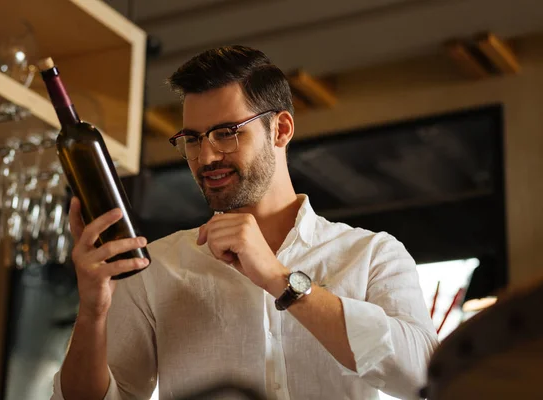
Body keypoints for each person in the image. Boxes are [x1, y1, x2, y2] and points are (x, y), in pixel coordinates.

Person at [51, 45, 438, 400]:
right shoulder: (154, 268)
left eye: (226, 133)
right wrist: (92, 313)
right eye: (192, 139)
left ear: (281, 129)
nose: (205, 157)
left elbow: (424, 378)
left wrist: (280, 280)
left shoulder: (371, 255)